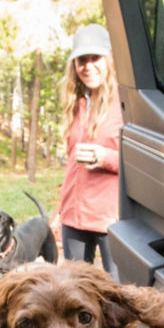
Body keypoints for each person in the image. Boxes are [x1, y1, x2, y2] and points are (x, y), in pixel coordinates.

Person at [54, 24, 122, 273]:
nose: (88, 66)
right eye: (82, 59)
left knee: (116, 291)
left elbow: (142, 160)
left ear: (109, 60)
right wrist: (60, 209)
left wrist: (105, 157)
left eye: (96, 58)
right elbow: (71, 164)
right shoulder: (77, 102)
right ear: (74, 64)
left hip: (110, 218)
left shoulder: (124, 103)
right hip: (74, 216)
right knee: (73, 288)